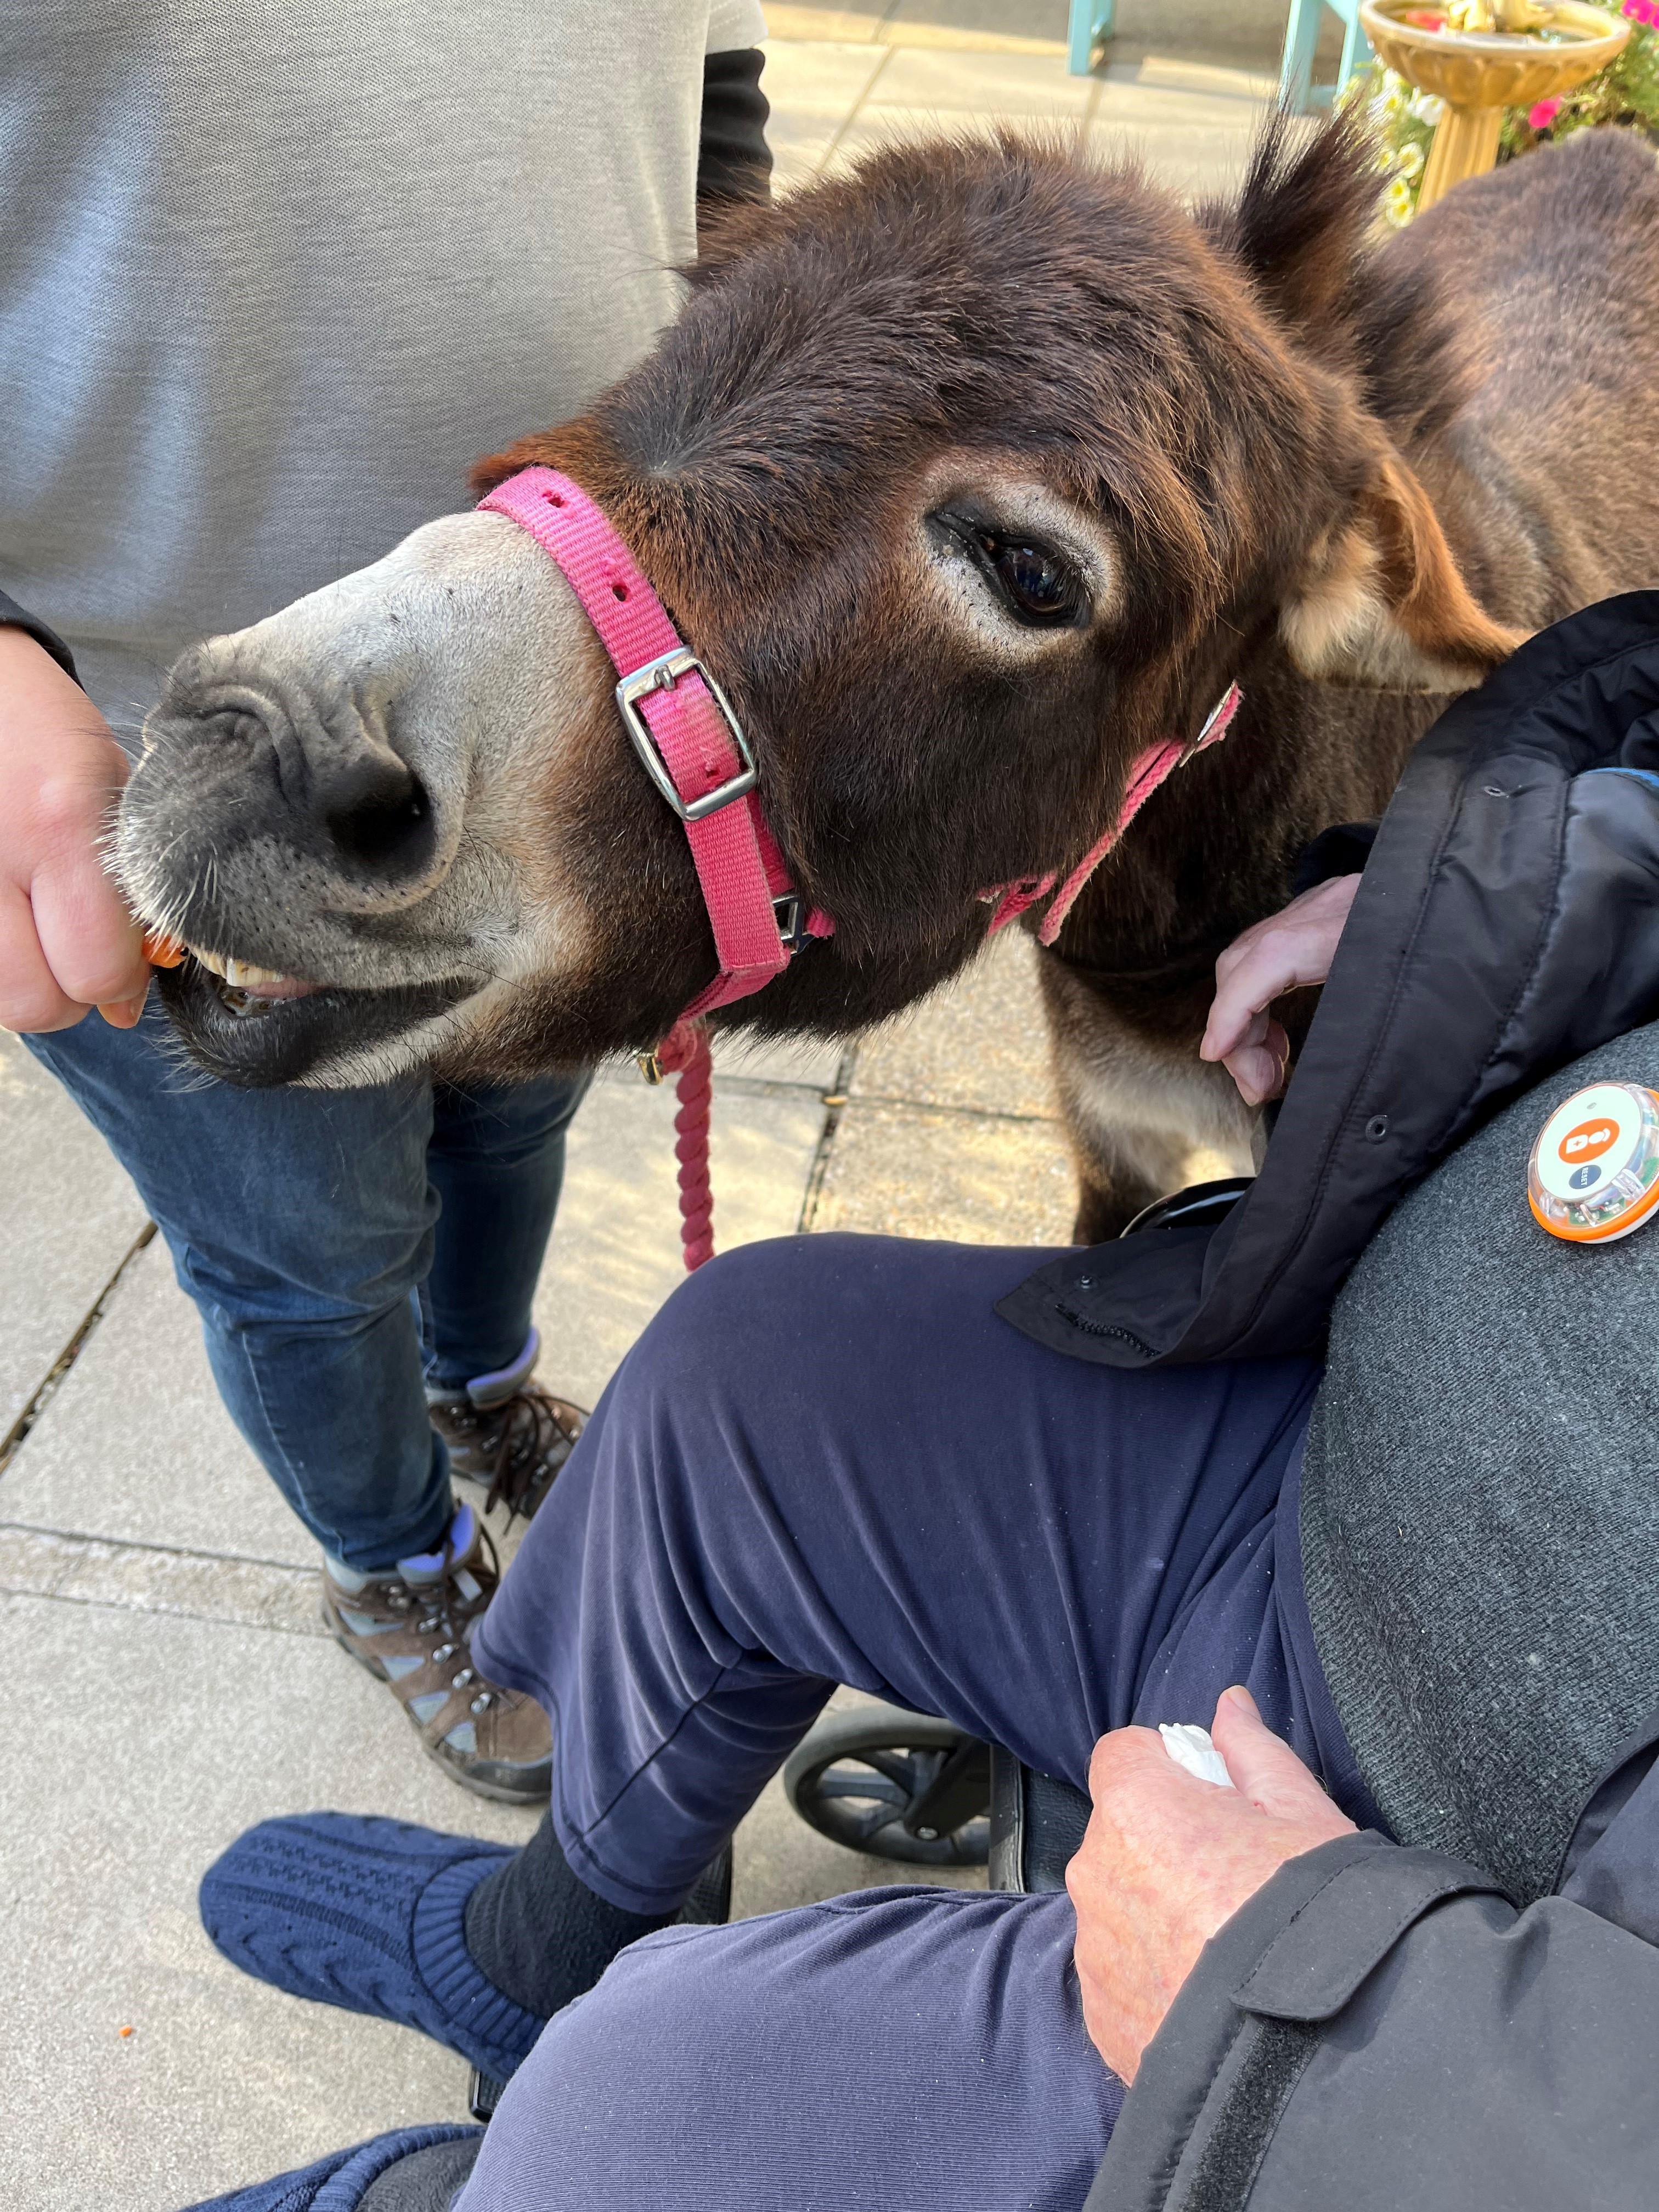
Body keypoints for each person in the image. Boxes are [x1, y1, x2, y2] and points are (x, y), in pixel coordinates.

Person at [179, 595, 1659, 2210]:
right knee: (744, 1381)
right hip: (1339, 1458)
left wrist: (1327, 2032)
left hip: (1466, 1914)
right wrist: (1517, 903)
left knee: (646, 2120)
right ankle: (537, 1953)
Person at [0, 1, 771, 1799]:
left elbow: (712, 95)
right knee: (309, 1251)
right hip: (163, 765)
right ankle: (390, 1563)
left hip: (568, 732)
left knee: (515, 1127)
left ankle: (480, 1385)